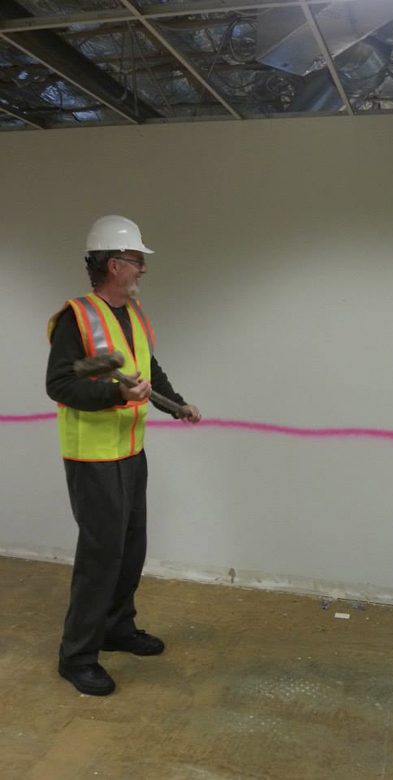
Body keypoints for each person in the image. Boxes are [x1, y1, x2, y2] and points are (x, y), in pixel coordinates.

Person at [46, 215, 201, 696]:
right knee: (101, 555)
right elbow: (61, 384)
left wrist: (176, 404)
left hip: (131, 450)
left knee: (131, 546)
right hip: (92, 456)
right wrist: (117, 395)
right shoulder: (77, 316)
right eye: (137, 261)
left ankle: (116, 627)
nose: (143, 270)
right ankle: (77, 656)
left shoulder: (132, 315)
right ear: (114, 265)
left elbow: (147, 369)